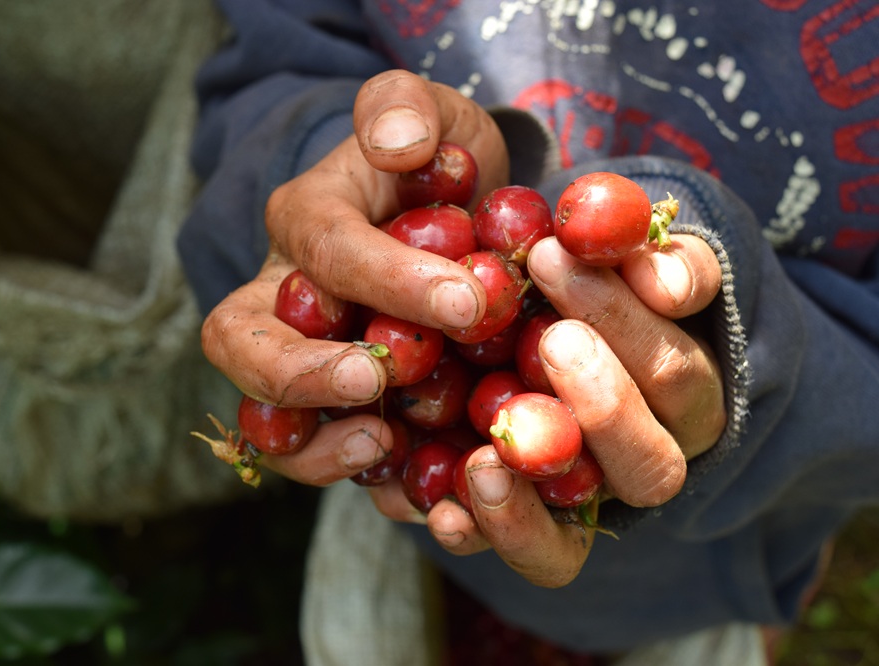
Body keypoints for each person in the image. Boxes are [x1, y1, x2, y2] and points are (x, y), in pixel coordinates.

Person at [178, 0, 879, 660]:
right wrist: (325, 177)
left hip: (711, 563)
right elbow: (267, 59)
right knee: (451, 511)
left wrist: (750, 354)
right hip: (428, 489)